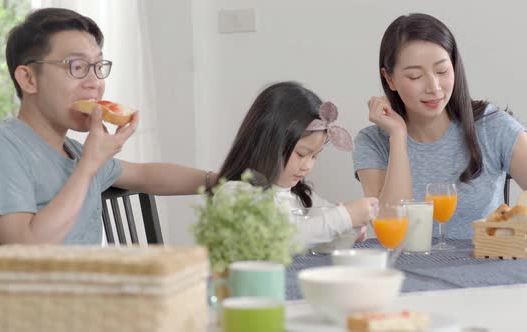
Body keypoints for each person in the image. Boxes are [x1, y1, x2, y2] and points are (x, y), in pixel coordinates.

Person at [0, 8, 216, 252]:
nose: (95, 83)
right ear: (29, 79)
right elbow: (29, 246)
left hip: (85, 297)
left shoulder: (75, 153)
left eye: (98, 67)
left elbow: (144, 174)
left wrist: (217, 181)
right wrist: (89, 165)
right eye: (77, 67)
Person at [353, 13, 527, 239]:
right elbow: (390, 227)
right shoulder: (372, 141)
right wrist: (398, 135)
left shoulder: (491, 126)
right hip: (403, 270)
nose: (433, 87)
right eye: (415, 76)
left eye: (442, 71)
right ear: (390, 79)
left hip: (484, 267)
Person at [217, 81, 378, 246]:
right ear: (267, 143)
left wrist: (352, 227)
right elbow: (279, 238)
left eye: (314, 156)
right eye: (301, 154)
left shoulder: (303, 197)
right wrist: (344, 217)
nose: (307, 166)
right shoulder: (235, 194)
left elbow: (322, 228)